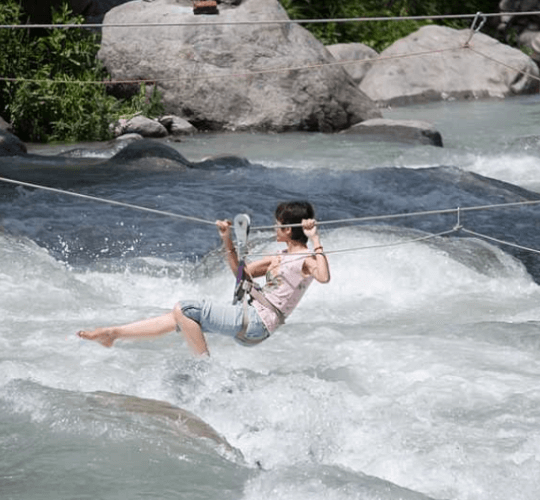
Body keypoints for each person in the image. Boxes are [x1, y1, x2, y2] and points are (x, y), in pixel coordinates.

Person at [77, 201, 330, 356]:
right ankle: (113, 334)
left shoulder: (306, 259)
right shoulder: (278, 257)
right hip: (248, 319)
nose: (274, 228)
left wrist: (315, 238)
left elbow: (324, 276)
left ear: (288, 230)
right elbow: (240, 274)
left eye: (278, 225)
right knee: (178, 318)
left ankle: (203, 370)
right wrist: (226, 239)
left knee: (185, 309)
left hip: (256, 323)